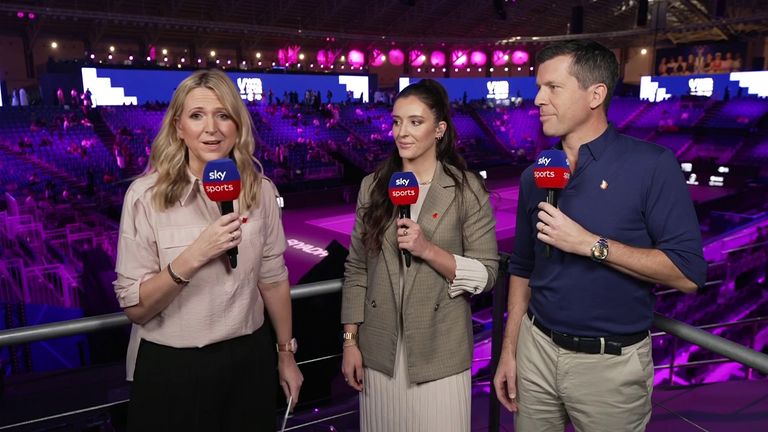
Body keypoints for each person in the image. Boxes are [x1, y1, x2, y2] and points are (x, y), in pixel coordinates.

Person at [493, 40, 707, 432]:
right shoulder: (533, 175)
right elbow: (522, 270)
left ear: (596, 94)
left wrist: (590, 244)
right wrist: (510, 351)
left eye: (553, 88)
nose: (538, 99)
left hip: (609, 368)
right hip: (534, 351)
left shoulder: (652, 165)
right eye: (539, 87)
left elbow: (688, 274)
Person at [113, 69, 303, 431]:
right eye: (197, 115)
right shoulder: (144, 197)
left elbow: (273, 279)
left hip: (249, 360)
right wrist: (194, 255)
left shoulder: (260, 190)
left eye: (223, 115)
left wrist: (285, 354)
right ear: (179, 127)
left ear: (237, 125)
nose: (211, 129)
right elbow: (135, 309)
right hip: (172, 368)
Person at [341, 79, 499, 431]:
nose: (402, 132)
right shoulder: (373, 185)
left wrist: (428, 249)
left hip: (439, 353)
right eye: (397, 122)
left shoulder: (465, 188)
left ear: (439, 129)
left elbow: (488, 273)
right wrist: (350, 341)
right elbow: (356, 269)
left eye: (415, 122)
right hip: (379, 354)